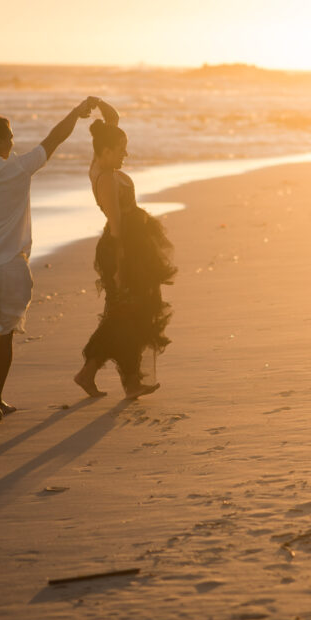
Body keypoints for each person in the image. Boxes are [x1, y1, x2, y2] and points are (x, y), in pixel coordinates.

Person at [0, 98, 96, 422]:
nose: (14, 142)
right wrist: (75, 112)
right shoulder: (17, 168)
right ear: (0, 141)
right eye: (11, 136)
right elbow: (54, 138)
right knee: (5, 333)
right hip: (12, 266)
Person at [74, 98, 176, 399]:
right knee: (126, 314)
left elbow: (112, 122)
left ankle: (98, 375)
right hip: (123, 250)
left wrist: (97, 104)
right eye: (120, 150)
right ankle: (120, 380)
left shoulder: (101, 162)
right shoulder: (104, 178)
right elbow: (117, 228)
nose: (125, 154)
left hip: (134, 247)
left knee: (127, 315)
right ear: (105, 152)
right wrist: (120, 269)